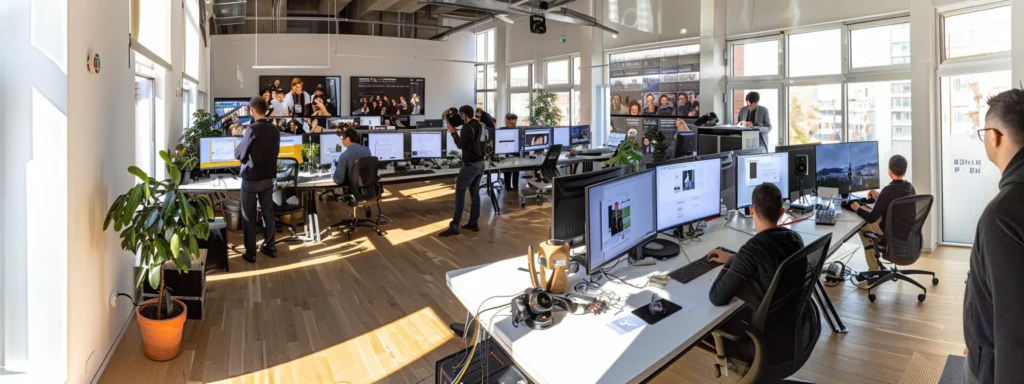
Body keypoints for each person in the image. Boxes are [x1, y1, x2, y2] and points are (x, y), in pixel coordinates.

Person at [707, 183, 818, 366]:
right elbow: (769, 260)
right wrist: (737, 257)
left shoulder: (751, 250)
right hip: (793, 332)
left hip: (763, 343)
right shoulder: (794, 239)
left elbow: (716, 297)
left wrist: (730, 261)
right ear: (782, 211)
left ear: (751, 210)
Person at [962, 89, 1024, 384]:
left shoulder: (1001, 216)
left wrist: (981, 346)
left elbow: (1014, 334)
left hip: (993, 368)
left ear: (994, 136)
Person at [848, 155, 916, 288]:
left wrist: (857, 208)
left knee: (863, 226)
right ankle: (875, 264)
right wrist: (878, 196)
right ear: (905, 171)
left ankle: (873, 271)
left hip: (892, 235)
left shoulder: (888, 190)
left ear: (889, 172)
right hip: (907, 235)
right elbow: (895, 202)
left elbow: (872, 217)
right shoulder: (910, 188)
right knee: (870, 221)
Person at [233, 96, 280, 263]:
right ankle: (270, 247)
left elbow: (239, 154)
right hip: (267, 179)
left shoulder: (252, 129)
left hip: (250, 180)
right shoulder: (274, 129)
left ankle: (251, 253)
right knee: (268, 213)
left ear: (252, 111)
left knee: (248, 216)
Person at [439, 105, 487, 237]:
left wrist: (453, 132)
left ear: (464, 115)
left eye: (460, 115)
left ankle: (454, 225)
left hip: (470, 165)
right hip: (481, 164)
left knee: (460, 192)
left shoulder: (467, 127)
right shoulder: (481, 125)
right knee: (474, 193)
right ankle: (473, 223)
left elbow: (460, 145)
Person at [502, 113, 520, 191]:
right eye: (509, 120)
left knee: (516, 171)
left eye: (513, 120)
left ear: (515, 121)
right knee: (507, 171)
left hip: (517, 154)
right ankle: (508, 186)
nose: (511, 122)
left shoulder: (518, 131)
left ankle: (515, 186)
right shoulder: (502, 130)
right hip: (506, 154)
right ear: (506, 121)